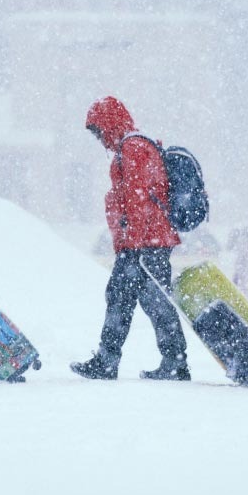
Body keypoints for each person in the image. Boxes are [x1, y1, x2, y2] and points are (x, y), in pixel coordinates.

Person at [70, 96, 190, 381]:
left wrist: (132, 242)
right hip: (145, 242)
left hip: (144, 244)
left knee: (139, 300)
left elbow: (139, 199)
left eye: (99, 131)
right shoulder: (132, 146)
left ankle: (118, 361)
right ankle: (168, 361)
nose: (99, 139)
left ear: (110, 124)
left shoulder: (133, 147)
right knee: (134, 299)